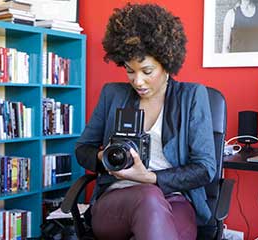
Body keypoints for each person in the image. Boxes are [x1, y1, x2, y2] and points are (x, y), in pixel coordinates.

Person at [75, 3, 216, 240]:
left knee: (153, 203)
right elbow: (82, 150)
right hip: (117, 198)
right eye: (130, 71)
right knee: (148, 198)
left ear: (167, 64)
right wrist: (104, 157)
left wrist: (151, 178)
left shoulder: (191, 97)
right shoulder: (113, 95)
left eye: (147, 71)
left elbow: (205, 169)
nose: (137, 81)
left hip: (174, 199)